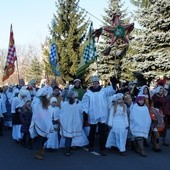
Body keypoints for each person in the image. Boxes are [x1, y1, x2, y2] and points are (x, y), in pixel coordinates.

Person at [82, 75, 118, 156]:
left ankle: (102, 148)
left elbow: (112, 91)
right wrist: (85, 112)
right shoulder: (88, 93)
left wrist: (114, 83)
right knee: (92, 131)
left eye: (96, 83)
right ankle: (91, 146)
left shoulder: (104, 90)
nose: (95, 85)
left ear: (98, 83)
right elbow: (85, 103)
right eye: (94, 83)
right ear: (92, 84)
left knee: (102, 132)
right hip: (93, 114)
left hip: (102, 114)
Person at [29, 87, 54, 160]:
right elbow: (36, 115)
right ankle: (37, 152)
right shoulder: (37, 104)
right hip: (39, 124)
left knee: (45, 137)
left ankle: (40, 149)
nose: (48, 98)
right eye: (46, 97)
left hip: (45, 124)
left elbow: (47, 114)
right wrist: (40, 122)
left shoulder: (45, 104)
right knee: (40, 138)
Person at [59, 90, 85, 156]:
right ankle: (66, 150)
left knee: (70, 136)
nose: (75, 96)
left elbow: (81, 111)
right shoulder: (65, 104)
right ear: (71, 96)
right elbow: (61, 114)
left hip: (72, 123)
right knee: (68, 136)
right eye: (73, 95)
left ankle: (69, 149)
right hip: (67, 123)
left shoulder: (75, 104)